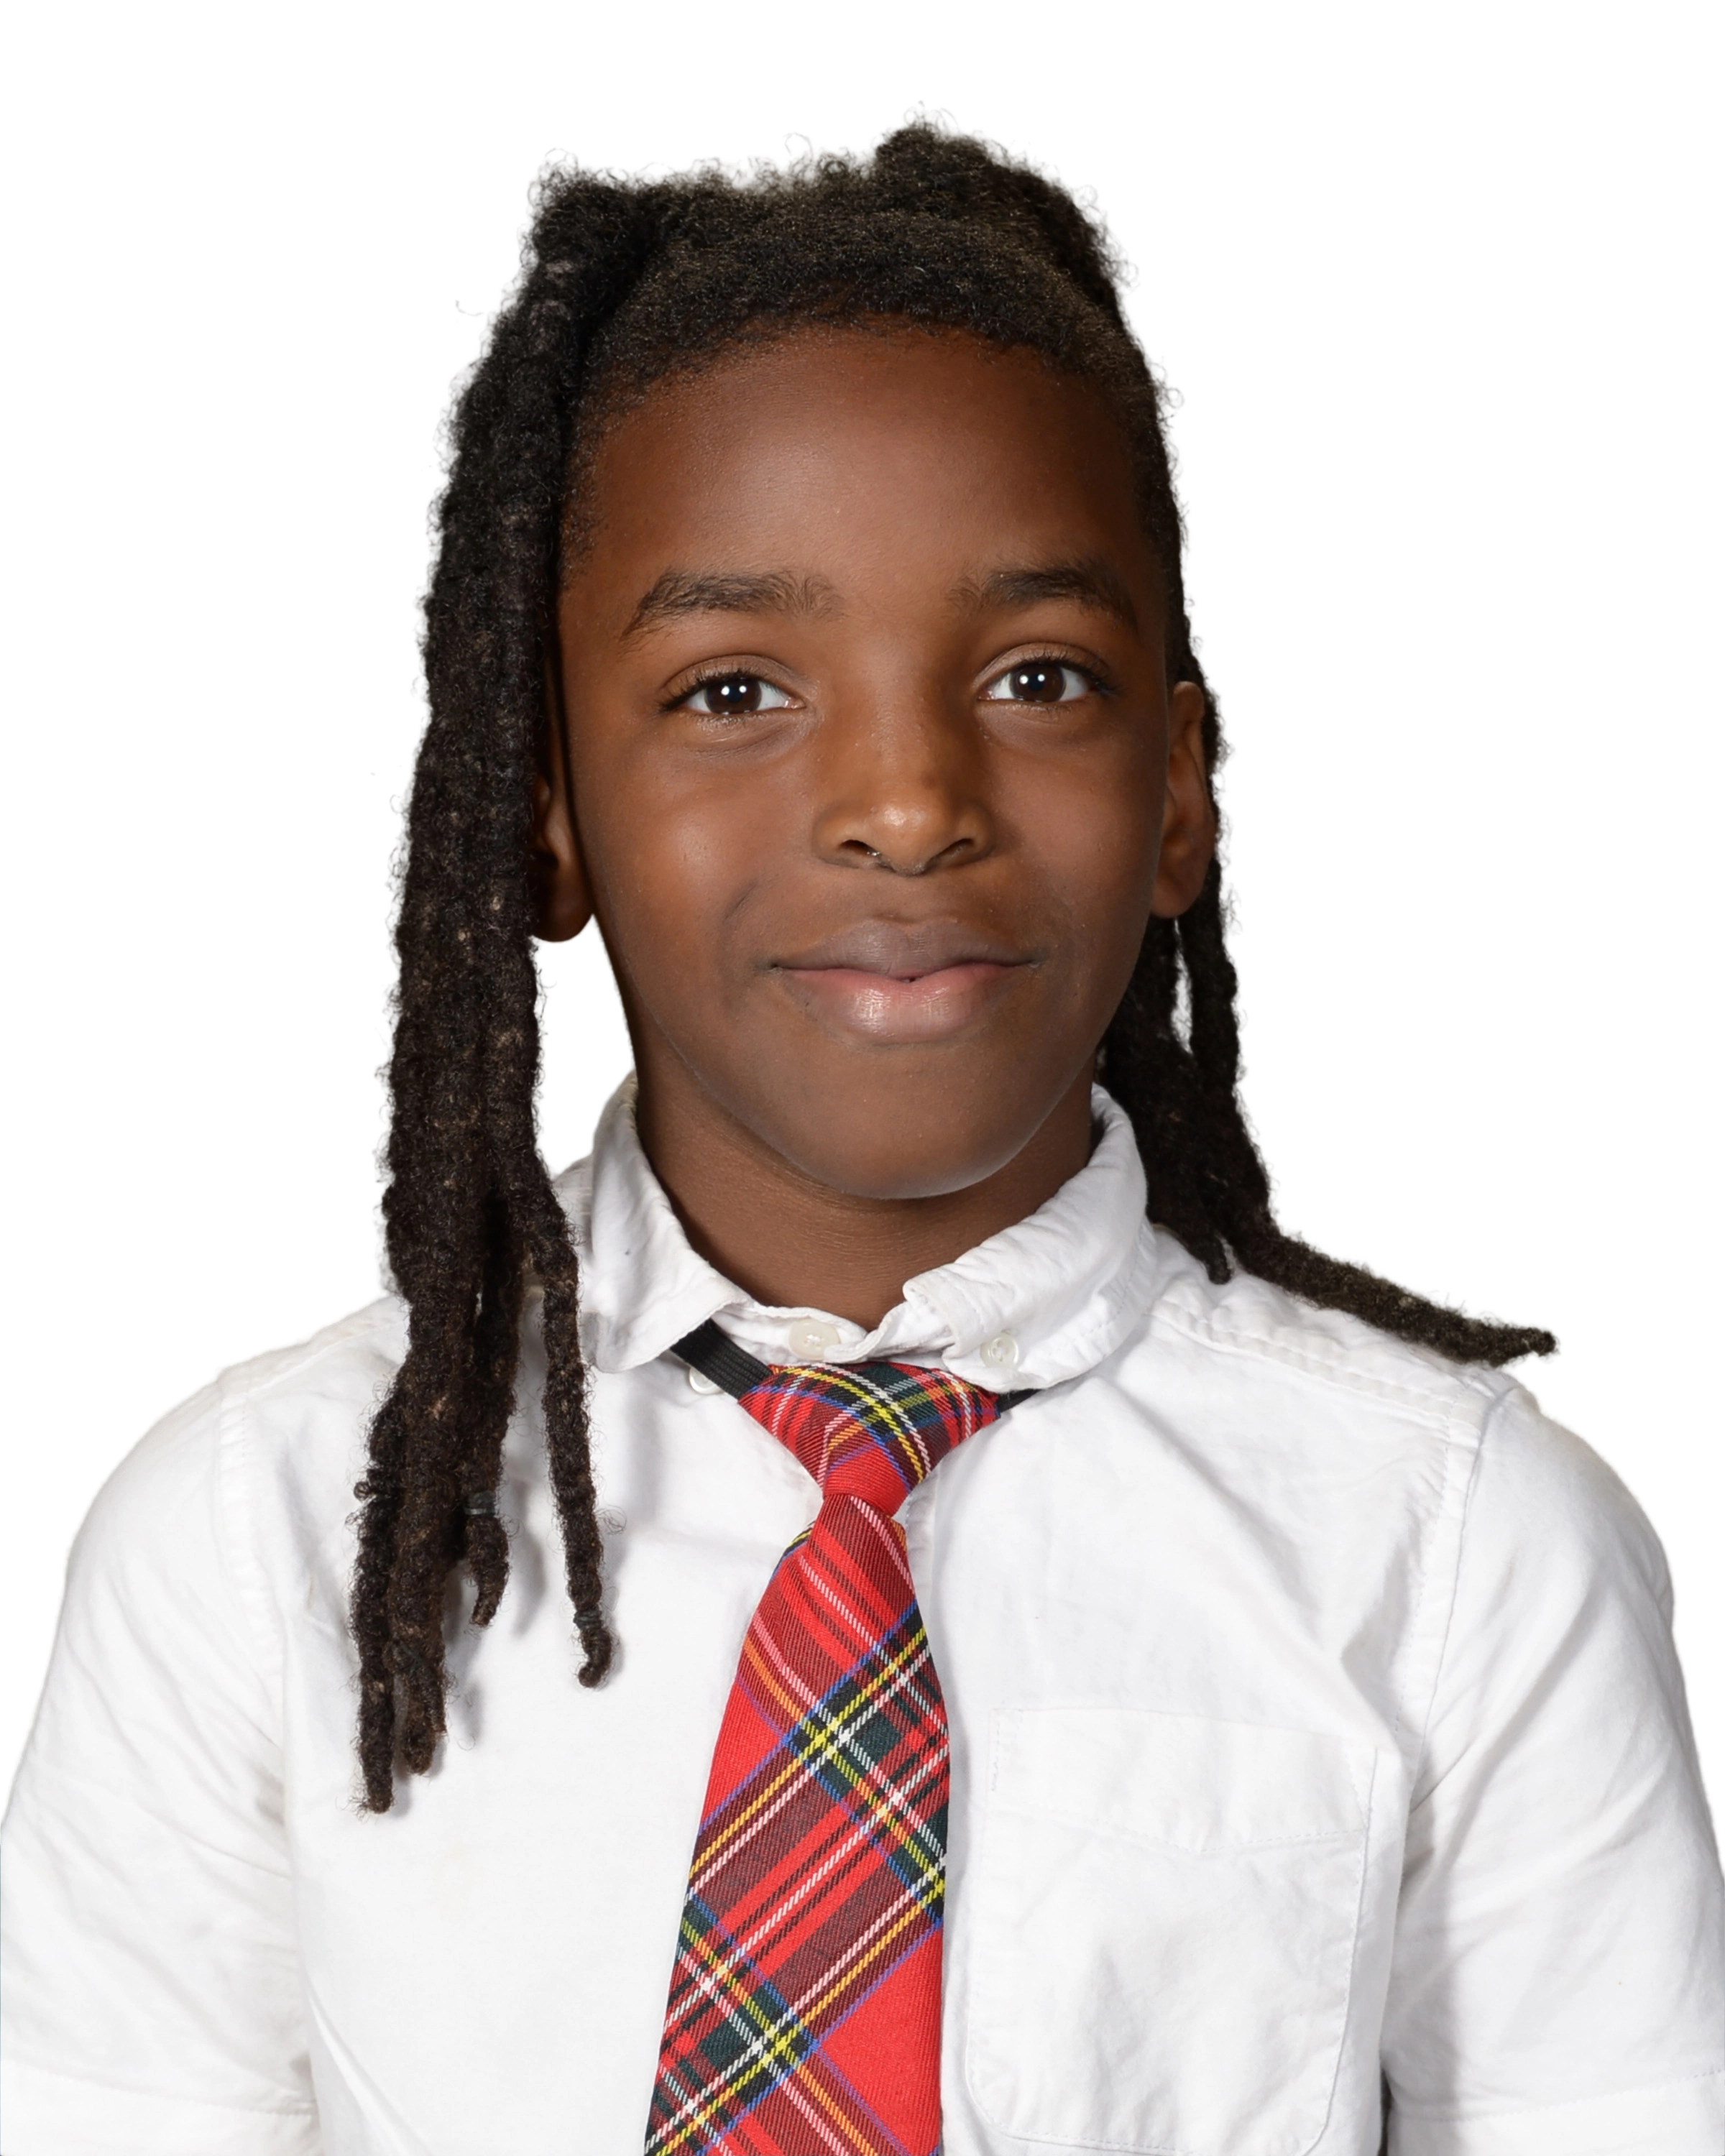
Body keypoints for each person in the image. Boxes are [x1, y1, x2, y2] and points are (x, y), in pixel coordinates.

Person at [2, 107, 1719, 2156]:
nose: (908, 805)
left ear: (1181, 792)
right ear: (543, 810)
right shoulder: (248, 1534)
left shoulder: (1461, 1546)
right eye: (735, 691)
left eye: (1040, 676)